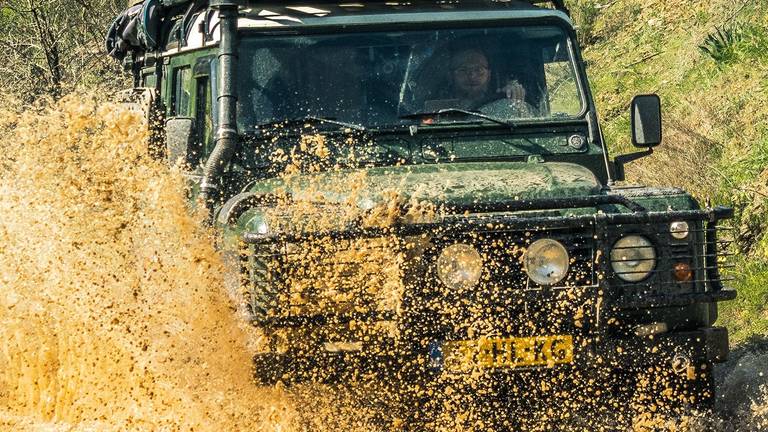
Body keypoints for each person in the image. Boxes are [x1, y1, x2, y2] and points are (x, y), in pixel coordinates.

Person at [448, 47, 532, 114]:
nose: (472, 76)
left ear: (488, 75)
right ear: (451, 76)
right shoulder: (440, 107)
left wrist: (514, 95)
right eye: (463, 70)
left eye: (479, 70)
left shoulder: (502, 104)